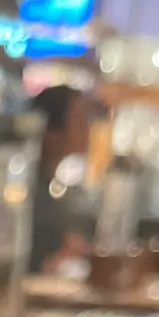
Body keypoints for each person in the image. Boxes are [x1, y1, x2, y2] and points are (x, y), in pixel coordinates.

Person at [27, 84, 96, 274]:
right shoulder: (26, 190)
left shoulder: (46, 183)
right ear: (51, 131)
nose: (88, 130)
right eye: (80, 121)